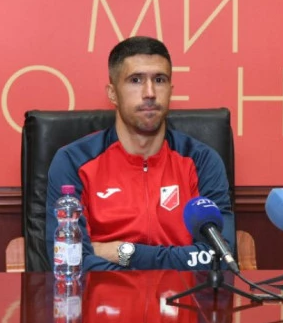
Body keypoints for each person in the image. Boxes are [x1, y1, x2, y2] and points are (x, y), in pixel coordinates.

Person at [45, 36, 234, 271]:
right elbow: (70, 261)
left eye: (159, 80)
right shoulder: (73, 162)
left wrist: (125, 252)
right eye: (135, 80)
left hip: (184, 294)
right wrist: (150, 276)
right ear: (112, 93)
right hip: (103, 294)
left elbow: (220, 257)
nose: (150, 92)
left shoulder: (202, 161)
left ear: (170, 91)